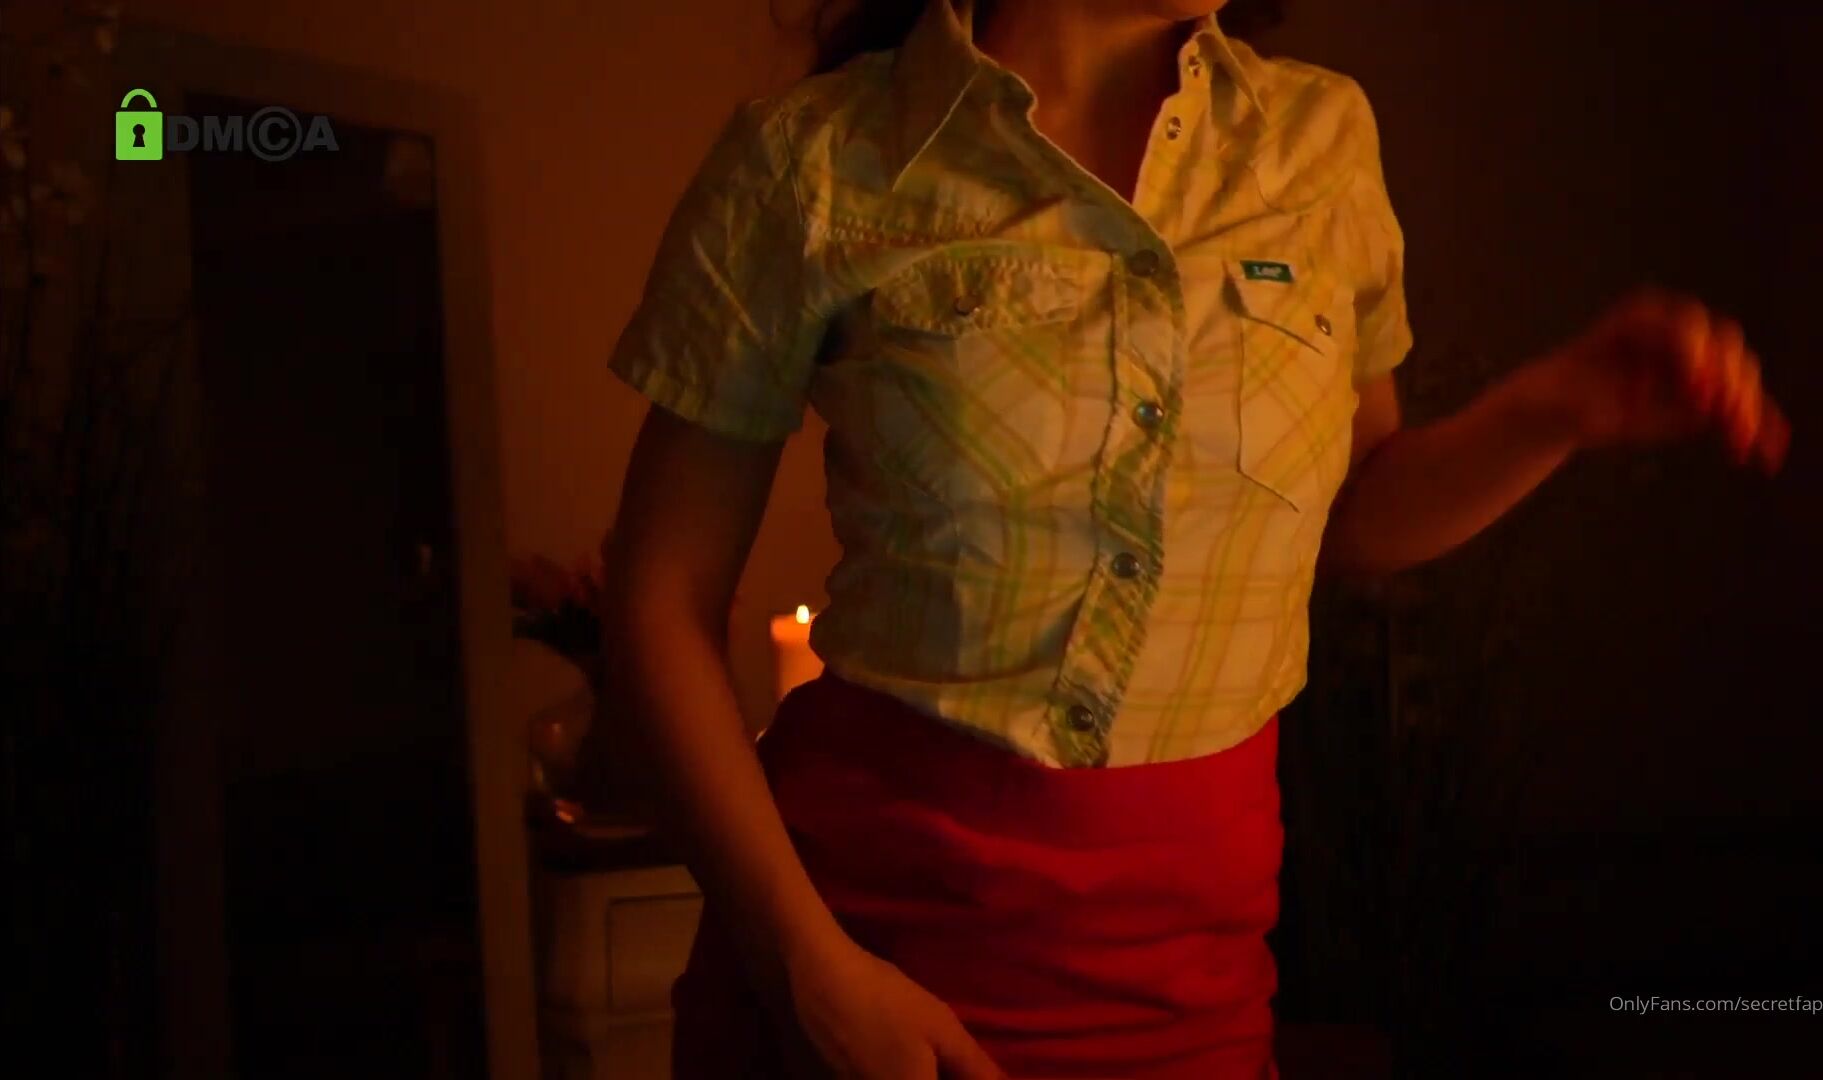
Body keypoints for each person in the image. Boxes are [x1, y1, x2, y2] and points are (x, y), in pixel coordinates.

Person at [597, 0, 1791, 1076]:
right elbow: (657, 600)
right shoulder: (811, 160)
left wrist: (1555, 409)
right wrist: (807, 970)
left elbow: (1349, 512)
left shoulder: (1315, 141)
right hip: (867, 962)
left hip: (1193, 984)